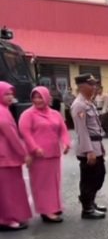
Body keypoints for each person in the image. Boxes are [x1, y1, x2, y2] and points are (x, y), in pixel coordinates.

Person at [19, 86, 71, 223]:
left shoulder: (55, 114)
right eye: (34, 97)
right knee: (41, 184)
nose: (37, 100)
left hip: (53, 154)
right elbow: (26, 133)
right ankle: (46, 211)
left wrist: (66, 143)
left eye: (40, 97)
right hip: (38, 156)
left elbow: (63, 131)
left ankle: (54, 206)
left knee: (54, 182)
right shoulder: (28, 114)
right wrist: (35, 148)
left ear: (47, 97)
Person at [71, 74, 107, 220]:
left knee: (99, 175)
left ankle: (91, 202)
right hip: (88, 149)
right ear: (81, 87)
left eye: (95, 84)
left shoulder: (88, 102)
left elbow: (96, 127)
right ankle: (87, 208)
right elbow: (82, 130)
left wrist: (101, 147)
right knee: (89, 178)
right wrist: (89, 151)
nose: (94, 87)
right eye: (91, 85)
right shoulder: (79, 104)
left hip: (96, 145)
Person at [0, 81, 32, 231]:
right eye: (6, 94)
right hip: (5, 157)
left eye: (11, 93)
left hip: (5, 156)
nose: (10, 97)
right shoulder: (2, 112)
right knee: (8, 190)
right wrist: (24, 153)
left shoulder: (4, 109)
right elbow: (12, 136)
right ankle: (8, 219)